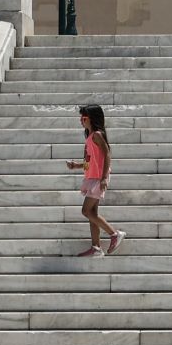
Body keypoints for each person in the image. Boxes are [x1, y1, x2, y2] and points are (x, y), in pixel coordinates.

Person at [67, 104, 124, 258]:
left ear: (92, 119)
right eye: (81, 118)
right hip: (91, 177)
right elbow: (89, 161)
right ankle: (96, 248)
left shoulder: (97, 135)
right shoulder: (89, 138)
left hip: (98, 178)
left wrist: (104, 177)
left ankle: (114, 234)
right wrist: (76, 166)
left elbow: (107, 155)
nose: (81, 121)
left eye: (84, 118)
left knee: (85, 211)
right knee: (92, 213)